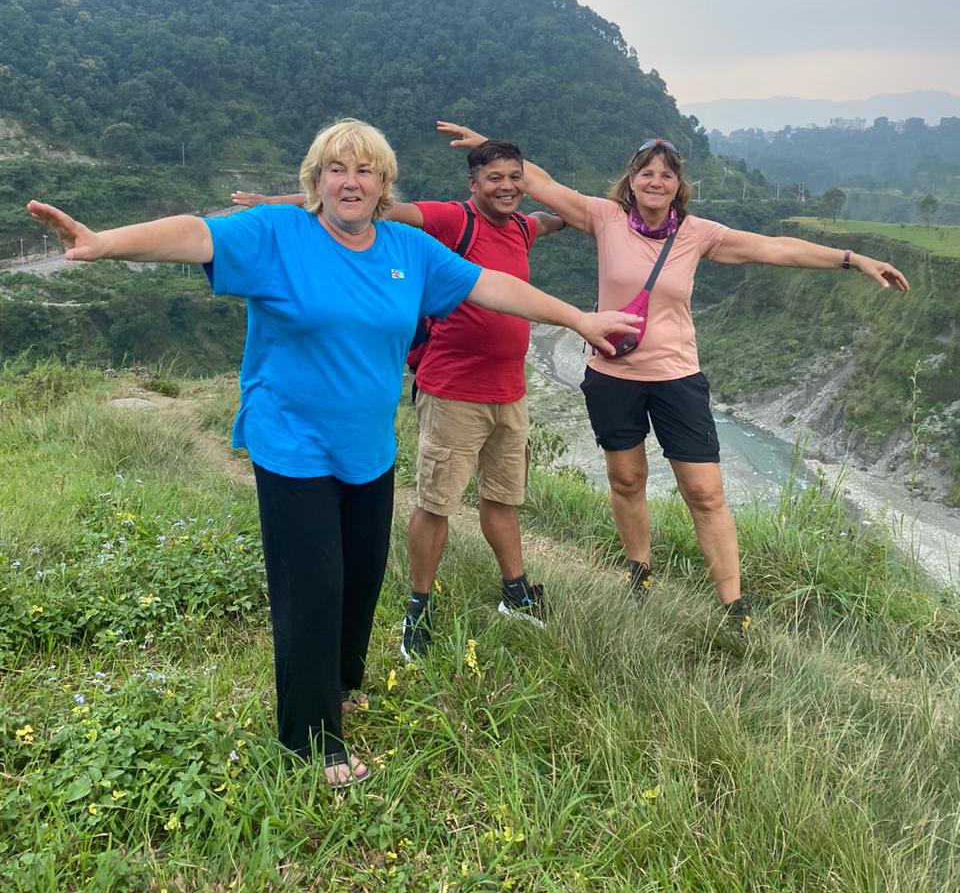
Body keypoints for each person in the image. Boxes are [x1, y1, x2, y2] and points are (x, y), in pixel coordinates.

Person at [28, 119, 641, 786]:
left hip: (367, 446)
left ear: (383, 185)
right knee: (311, 586)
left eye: (365, 170)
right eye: (336, 169)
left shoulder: (408, 248)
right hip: (291, 441)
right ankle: (311, 737)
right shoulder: (276, 235)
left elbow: (489, 286)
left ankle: (343, 684)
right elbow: (195, 232)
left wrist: (580, 319)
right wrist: (103, 243)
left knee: (361, 574)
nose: (350, 181)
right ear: (315, 180)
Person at [435, 122, 910, 634]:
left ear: (677, 185)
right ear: (632, 180)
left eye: (665, 175)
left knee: (705, 491)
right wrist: (489, 145)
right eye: (646, 173)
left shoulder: (696, 234)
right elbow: (535, 182)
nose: (655, 181)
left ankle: (733, 606)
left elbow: (772, 247)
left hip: (677, 377)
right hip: (611, 375)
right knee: (626, 479)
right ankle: (639, 573)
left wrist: (850, 258)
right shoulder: (604, 216)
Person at [232, 140, 566, 660]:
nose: (506, 186)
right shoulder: (453, 221)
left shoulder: (524, 227)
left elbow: (560, 212)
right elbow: (369, 202)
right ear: (472, 185)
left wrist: (607, 213)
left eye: (514, 177)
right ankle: (419, 607)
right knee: (436, 503)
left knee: (503, 498)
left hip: (510, 391)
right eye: (493, 176)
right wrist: (277, 202)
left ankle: (516, 591)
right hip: (454, 390)